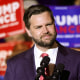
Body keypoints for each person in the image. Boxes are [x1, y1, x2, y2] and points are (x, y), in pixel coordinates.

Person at [4, 5, 80, 80]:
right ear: (28, 31)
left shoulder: (77, 59)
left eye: (48, 24)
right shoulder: (15, 64)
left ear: (54, 24)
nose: (45, 31)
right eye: (39, 27)